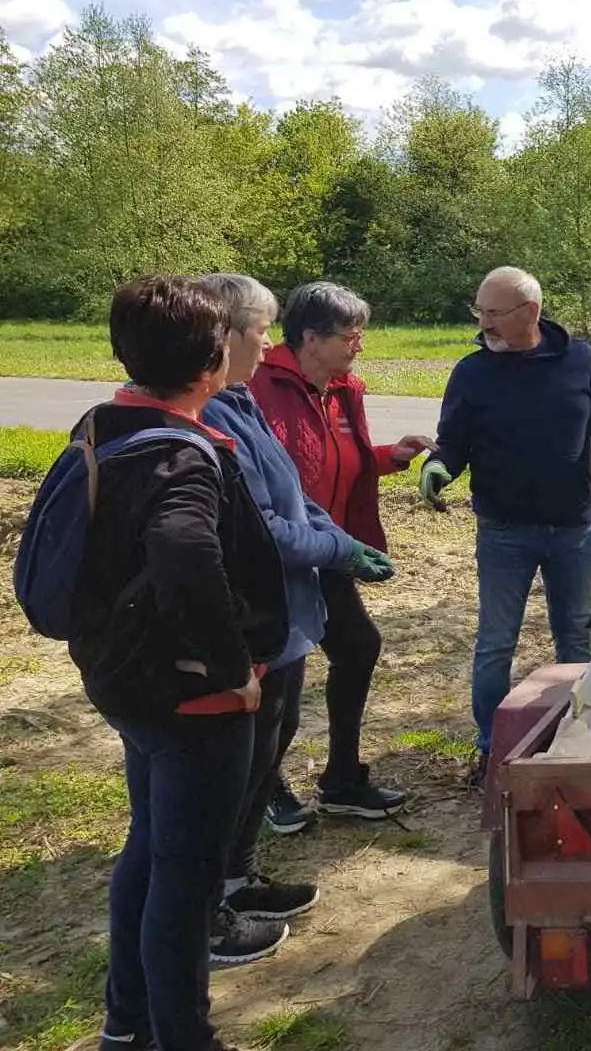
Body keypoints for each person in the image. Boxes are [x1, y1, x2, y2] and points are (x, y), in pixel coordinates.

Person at [68, 276, 287, 1051]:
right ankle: (183, 1037)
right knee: (186, 879)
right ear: (210, 363)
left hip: (127, 682)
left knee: (148, 851)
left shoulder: (105, 426)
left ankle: (125, 1028)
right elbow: (185, 551)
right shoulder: (184, 454)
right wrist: (234, 670)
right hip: (194, 701)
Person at [197, 275, 394, 955]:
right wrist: (339, 548)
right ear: (225, 337)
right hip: (262, 604)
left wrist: (342, 540)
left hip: (294, 599)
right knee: (240, 764)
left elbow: (297, 495)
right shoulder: (226, 410)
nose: (265, 341)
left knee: (268, 746)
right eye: (260, 329)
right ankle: (211, 904)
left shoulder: (242, 404)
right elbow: (266, 527)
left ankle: (235, 876)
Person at [419, 266, 591, 789]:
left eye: (494, 313)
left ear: (530, 313)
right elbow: (453, 442)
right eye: (480, 311)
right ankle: (491, 749)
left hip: (572, 526)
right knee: (496, 642)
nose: (483, 322)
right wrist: (439, 466)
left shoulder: (578, 358)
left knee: (574, 636)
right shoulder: (471, 373)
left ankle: (575, 742)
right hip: (503, 530)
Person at [248, 282, 433, 822]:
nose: (359, 345)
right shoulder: (261, 388)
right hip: (277, 556)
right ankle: (265, 790)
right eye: (350, 336)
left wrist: (390, 456)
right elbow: (276, 479)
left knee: (357, 648)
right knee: (280, 676)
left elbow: (342, 461)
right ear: (311, 337)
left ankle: (342, 780)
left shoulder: (342, 388)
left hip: (328, 549)